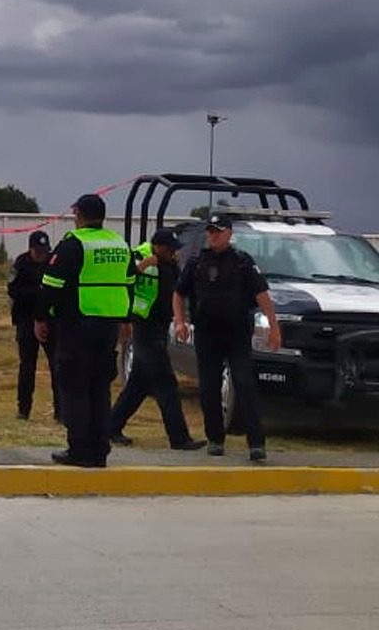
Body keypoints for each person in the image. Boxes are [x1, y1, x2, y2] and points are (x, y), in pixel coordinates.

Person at [36, 193, 135, 467]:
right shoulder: (119, 244)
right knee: (100, 388)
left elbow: (51, 286)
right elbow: (129, 284)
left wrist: (41, 318)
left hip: (77, 325)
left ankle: (79, 450)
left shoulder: (73, 244)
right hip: (108, 329)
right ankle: (99, 450)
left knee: (75, 387)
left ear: (79, 215)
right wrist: (126, 320)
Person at [172, 212, 281, 462]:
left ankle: (256, 443)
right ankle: (215, 439)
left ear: (229, 234)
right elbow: (178, 294)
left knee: (244, 385)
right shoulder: (197, 262)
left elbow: (262, 294)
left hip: (237, 334)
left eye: (218, 231)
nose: (213, 235)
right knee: (209, 389)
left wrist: (274, 327)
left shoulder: (242, 262)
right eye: (210, 231)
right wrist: (180, 321)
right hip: (207, 334)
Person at [109, 227, 204, 450]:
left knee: (138, 386)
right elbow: (123, 280)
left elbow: (178, 289)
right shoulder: (139, 256)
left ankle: (110, 427)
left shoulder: (171, 263)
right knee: (166, 383)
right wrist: (143, 267)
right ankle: (179, 438)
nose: (174, 253)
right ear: (158, 247)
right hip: (144, 325)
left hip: (161, 326)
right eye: (170, 249)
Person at [7, 230, 60, 421]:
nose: (41, 255)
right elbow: (12, 290)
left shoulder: (54, 262)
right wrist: (37, 293)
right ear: (31, 249)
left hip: (50, 321)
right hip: (26, 320)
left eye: (44, 251)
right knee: (27, 366)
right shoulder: (21, 263)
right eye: (38, 251)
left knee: (57, 366)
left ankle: (60, 411)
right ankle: (24, 409)